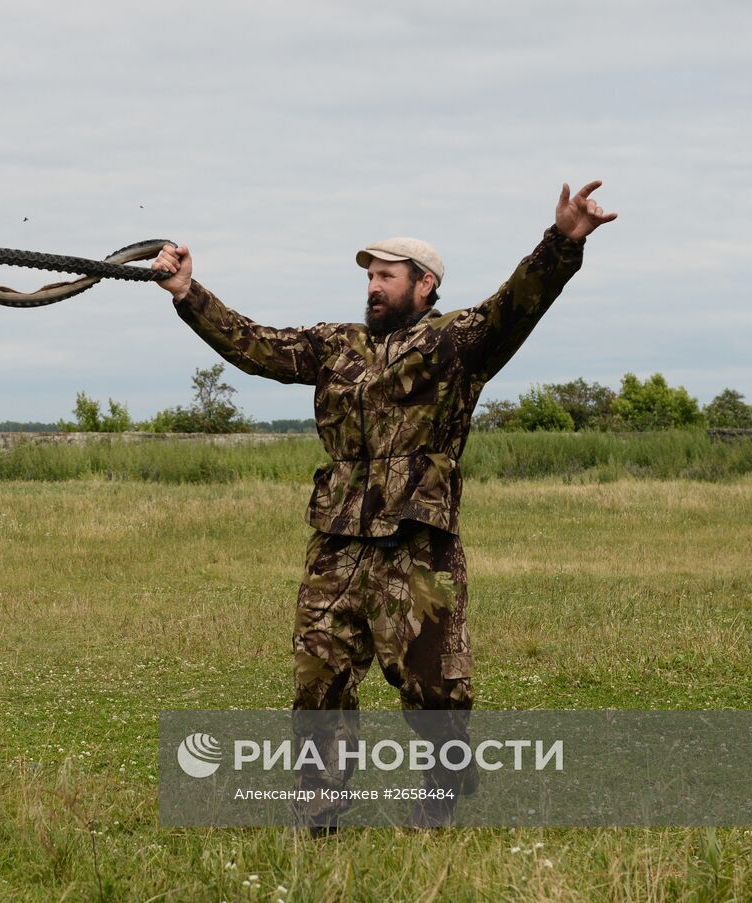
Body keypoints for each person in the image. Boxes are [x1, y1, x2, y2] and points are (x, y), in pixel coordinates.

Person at [152, 182, 616, 831]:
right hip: (337, 540)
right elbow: (254, 344)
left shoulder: (457, 343)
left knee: (434, 689)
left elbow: (518, 306)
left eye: (386, 276)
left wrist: (562, 242)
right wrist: (187, 294)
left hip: (417, 541)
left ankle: (443, 785)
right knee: (320, 679)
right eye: (369, 275)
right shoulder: (333, 345)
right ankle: (318, 806)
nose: (372, 285)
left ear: (425, 285)